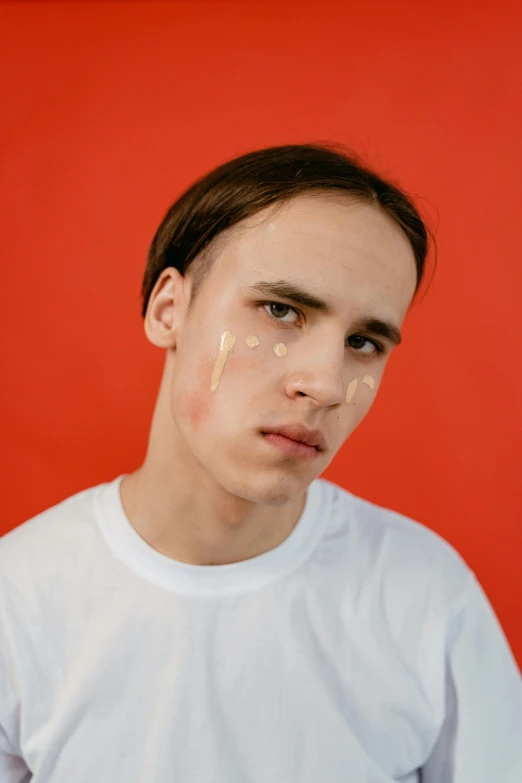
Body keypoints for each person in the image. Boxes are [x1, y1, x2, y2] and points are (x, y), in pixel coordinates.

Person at [1, 143, 520, 783]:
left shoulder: (428, 599)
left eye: (364, 342)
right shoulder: (18, 602)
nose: (326, 384)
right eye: (281, 310)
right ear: (169, 309)